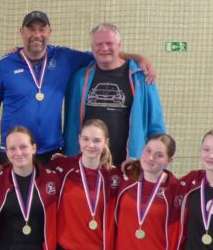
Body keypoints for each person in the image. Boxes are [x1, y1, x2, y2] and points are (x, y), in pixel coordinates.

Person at [0, 11, 155, 163]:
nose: (37, 34)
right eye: (31, 29)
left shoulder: (64, 57)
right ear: (21, 32)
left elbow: (101, 54)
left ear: (50, 32)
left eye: (42, 29)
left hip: (50, 152)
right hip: (13, 151)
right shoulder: (3, 66)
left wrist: (137, 57)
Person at [48, 119, 122, 250]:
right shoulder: (63, 167)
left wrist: (134, 164)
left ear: (106, 142)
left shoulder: (114, 176)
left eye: (97, 140)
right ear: (78, 140)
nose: (91, 145)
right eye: (86, 139)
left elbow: (146, 177)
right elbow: (30, 168)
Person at [64, 23, 166, 166]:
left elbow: (156, 124)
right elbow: (71, 124)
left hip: (129, 163)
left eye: (109, 43)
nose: (104, 48)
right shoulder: (79, 78)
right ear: (92, 48)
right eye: (99, 44)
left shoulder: (142, 78)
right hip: (89, 164)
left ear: (119, 45)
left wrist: (160, 165)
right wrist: (69, 159)